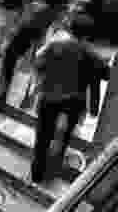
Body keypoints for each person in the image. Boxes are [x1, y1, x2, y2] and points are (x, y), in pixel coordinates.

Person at [29, 18, 109, 183]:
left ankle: (37, 174)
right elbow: (107, 74)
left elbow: (38, 62)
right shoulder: (89, 53)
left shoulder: (55, 45)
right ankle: (54, 168)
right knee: (64, 138)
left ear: (71, 29)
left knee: (42, 137)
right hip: (73, 101)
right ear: (87, 35)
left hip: (49, 97)